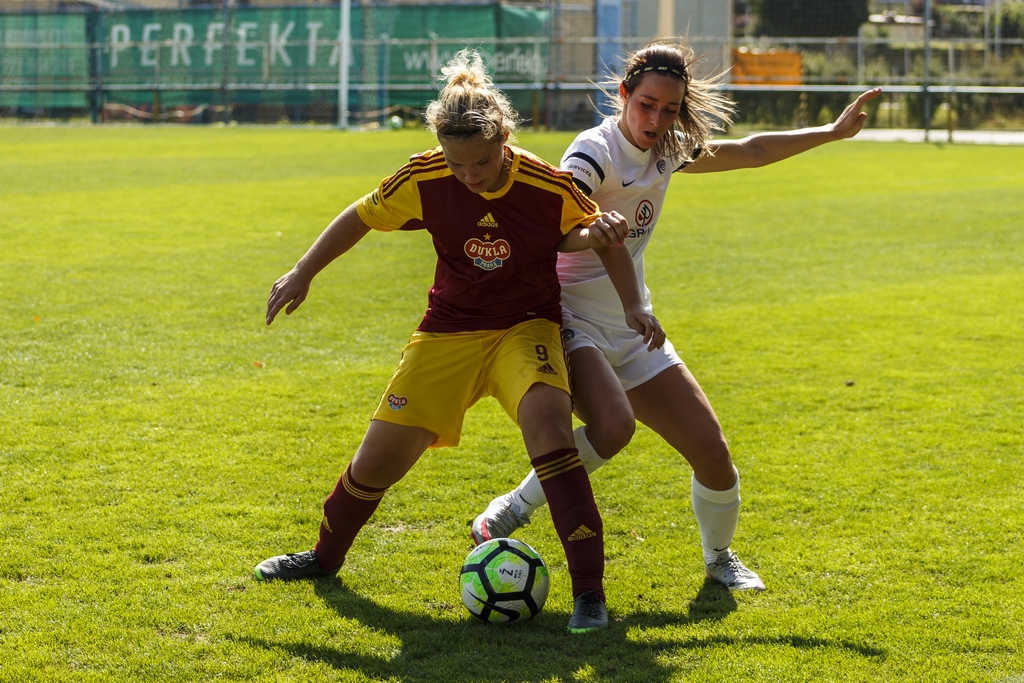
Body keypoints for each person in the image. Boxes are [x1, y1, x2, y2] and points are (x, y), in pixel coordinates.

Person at [253, 49, 664, 634]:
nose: (468, 175)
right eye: (457, 163)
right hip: (447, 331)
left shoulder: (545, 183)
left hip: (525, 326)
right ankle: (323, 557)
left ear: (504, 139)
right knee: (376, 462)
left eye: (480, 162)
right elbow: (361, 215)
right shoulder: (424, 176)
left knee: (549, 426)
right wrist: (303, 271)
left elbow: (597, 236)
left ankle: (589, 594)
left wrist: (632, 305)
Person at [472, 40, 882, 592]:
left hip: (633, 325)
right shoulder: (592, 152)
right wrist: (591, 232)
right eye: (646, 105)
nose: (655, 120)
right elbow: (549, 224)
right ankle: (513, 508)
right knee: (613, 427)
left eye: (669, 110)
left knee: (713, 455)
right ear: (624, 94)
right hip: (570, 319)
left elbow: (752, 150)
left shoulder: (667, 150)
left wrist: (831, 132)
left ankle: (719, 558)